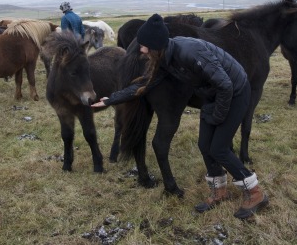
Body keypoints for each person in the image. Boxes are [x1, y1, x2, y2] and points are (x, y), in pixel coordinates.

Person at [91, 13, 269, 219]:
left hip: (235, 93)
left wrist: (217, 117)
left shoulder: (190, 52)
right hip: (212, 95)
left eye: (144, 45)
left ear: (156, 45)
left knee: (218, 148)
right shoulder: (164, 58)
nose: (140, 49)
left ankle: (255, 193)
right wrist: (110, 99)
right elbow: (144, 85)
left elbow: (226, 85)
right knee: (205, 145)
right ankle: (219, 191)